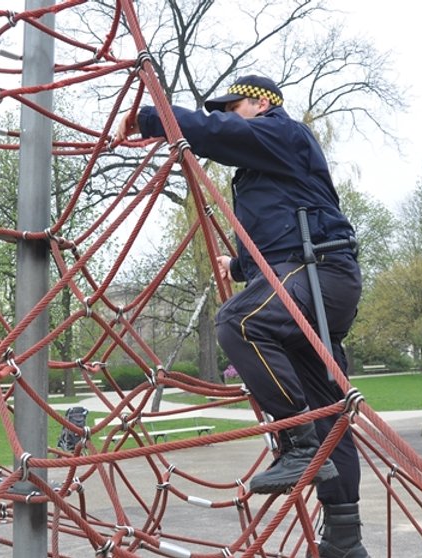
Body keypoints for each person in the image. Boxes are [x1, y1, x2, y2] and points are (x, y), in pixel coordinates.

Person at [116, 75, 367, 558]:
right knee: (329, 410)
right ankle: (344, 537)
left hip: (321, 274)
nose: (228, 116)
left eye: (232, 107)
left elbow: (225, 136)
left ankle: (296, 442)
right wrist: (240, 265)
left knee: (240, 322)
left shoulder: (283, 132)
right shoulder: (267, 167)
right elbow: (283, 228)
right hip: (307, 275)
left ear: (259, 102)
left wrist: (153, 118)